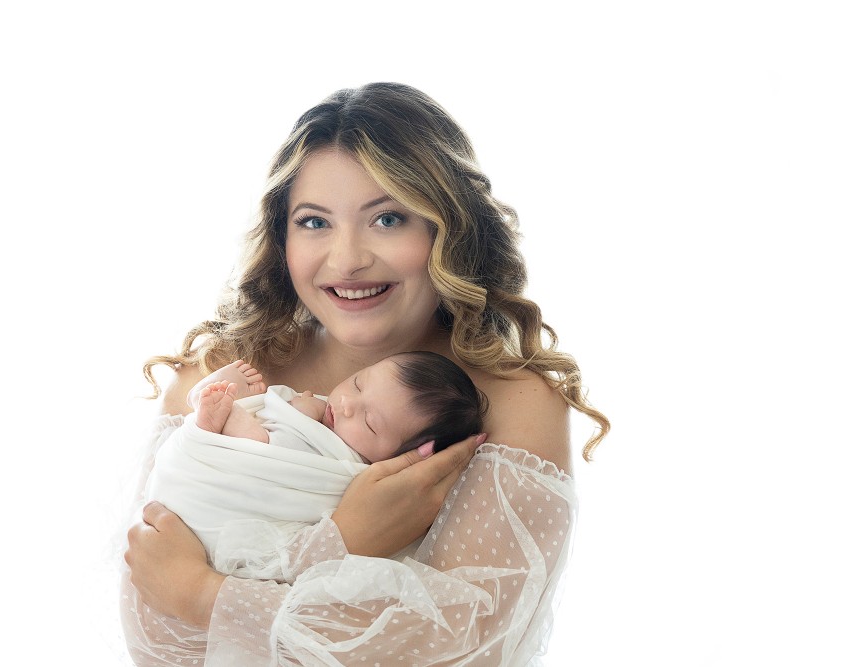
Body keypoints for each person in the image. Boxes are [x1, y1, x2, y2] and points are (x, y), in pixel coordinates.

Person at [122, 82, 609, 666]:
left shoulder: (510, 406)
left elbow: (456, 649)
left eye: (386, 218)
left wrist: (203, 593)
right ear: (281, 239)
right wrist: (343, 548)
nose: (348, 258)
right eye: (313, 222)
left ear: (446, 229)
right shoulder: (218, 384)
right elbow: (162, 643)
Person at [146, 352, 487, 581]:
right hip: (190, 486)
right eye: (358, 383)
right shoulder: (329, 410)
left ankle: (222, 419)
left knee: (272, 444)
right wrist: (296, 405)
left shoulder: (355, 468)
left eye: (370, 422)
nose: (347, 404)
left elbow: (301, 477)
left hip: (258, 480)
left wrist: (294, 411)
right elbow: (283, 405)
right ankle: (215, 417)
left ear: (400, 457)